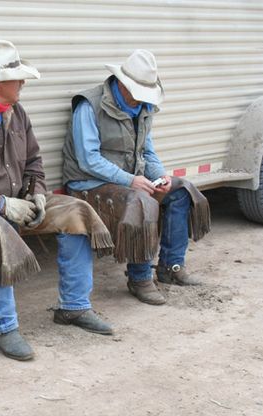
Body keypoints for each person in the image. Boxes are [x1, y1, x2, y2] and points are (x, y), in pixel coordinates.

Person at [0, 40, 116, 361]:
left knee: (76, 211)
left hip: (11, 200)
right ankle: (3, 327)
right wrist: (2, 204)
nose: (23, 83)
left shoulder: (15, 112)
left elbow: (34, 162)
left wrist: (37, 192)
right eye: (18, 78)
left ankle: (74, 307)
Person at [62, 49, 210, 306]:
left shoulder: (143, 107)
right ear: (122, 83)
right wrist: (130, 180)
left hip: (129, 178)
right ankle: (140, 278)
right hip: (88, 182)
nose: (143, 100)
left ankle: (171, 266)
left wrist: (159, 174)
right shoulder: (89, 105)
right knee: (142, 200)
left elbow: (147, 150)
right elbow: (88, 160)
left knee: (182, 189)